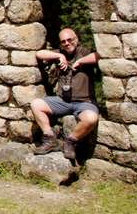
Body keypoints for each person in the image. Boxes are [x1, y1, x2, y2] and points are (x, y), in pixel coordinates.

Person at [30, 27, 99, 160]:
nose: (67, 43)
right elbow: (39, 54)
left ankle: (70, 141)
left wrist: (80, 61)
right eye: (63, 41)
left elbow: (99, 56)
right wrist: (59, 56)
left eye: (70, 40)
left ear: (76, 39)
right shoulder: (60, 53)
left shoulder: (84, 51)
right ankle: (50, 139)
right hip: (63, 101)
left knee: (91, 118)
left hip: (85, 102)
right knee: (36, 104)